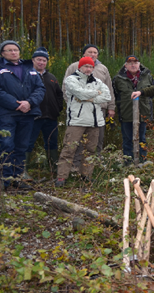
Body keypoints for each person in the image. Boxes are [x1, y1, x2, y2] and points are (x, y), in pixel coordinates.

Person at [0, 40, 46, 192]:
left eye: (16, 50)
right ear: (2, 53)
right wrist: (16, 104)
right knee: (7, 145)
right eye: (9, 50)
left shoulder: (29, 68)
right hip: (7, 113)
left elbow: (40, 88)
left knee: (22, 147)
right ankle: (3, 180)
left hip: (28, 113)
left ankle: (17, 179)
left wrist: (29, 103)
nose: (13, 52)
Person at [55, 57, 111, 187]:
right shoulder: (71, 80)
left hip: (94, 121)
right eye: (86, 66)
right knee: (69, 149)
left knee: (91, 150)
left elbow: (106, 96)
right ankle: (62, 177)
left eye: (91, 67)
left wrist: (90, 98)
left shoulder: (97, 81)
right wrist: (96, 94)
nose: (88, 69)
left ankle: (86, 175)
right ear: (79, 67)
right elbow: (80, 94)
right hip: (77, 121)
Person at [62, 45, 115, 162]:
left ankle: (95, 163)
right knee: (77, 140)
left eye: (95, 52)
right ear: (83, 54)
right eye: (89, 52)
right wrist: (73, 104)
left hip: (99, 109)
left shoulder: (102, 68)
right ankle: (76, 165)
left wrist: (111, 107)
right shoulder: (74, 67)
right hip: (78, 112)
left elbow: (109, 89)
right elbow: (66, 88)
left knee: (97, 139)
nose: (93, 54)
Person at [24, 47, 64, 176]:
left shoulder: (51, 77)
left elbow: (59, 94)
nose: (41, 62)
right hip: (33, 116)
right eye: (38, 60)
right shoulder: (26, 75)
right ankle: (23, 170)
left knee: (52, 142)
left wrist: (58, 108)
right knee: (28, 142)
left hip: (50, 117)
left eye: (44, 60)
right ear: (33, 60)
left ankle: (53, 169)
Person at [112, 55, 154, 163]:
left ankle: (142, 161)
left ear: (139, 64)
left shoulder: (147, 76)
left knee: (142, 139)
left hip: (143, 112)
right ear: (126, 65)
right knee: (127, 140)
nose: (133, 65)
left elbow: (152, 92)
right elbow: (115, 95)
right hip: (126, 114)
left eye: (135, 63)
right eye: (130, 63)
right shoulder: (118, 78)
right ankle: (128, 162)